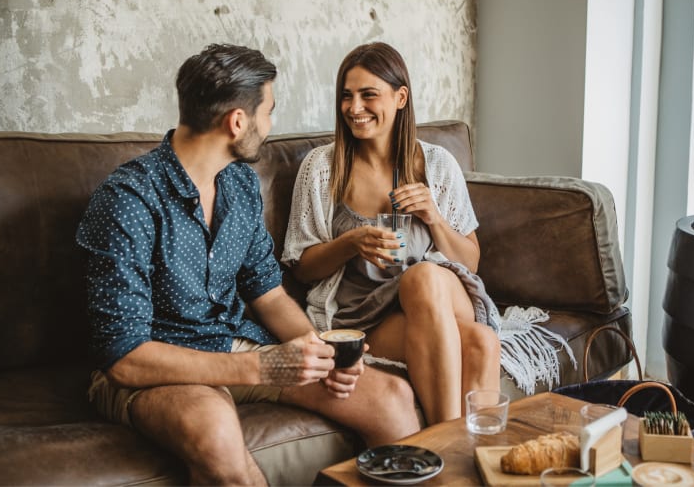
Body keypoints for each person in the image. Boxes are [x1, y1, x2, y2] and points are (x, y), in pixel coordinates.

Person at [76, 43, 420, 486]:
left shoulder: (239, 184)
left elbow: (269, 293)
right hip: (158, 364)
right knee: (215, 431)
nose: (270, 125)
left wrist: (322, 350)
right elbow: (123, 357)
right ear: (237, 122)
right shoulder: (127, 201)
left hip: (233, 343)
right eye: (269, 112)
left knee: (390, 396)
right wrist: (259, 367)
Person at [282, 42, 502, 426]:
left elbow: (470, 262)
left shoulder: (436, 164)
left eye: (369, 95)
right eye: (347, 96)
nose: (354, 108)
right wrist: (350, 243)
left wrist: (433, 217)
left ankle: (441, 448)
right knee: (481, 343)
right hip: (366, 315)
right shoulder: (321, 168)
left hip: (440, 296)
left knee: (423, 277)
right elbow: (301, 268)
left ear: (400, 97)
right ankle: (464, 459)